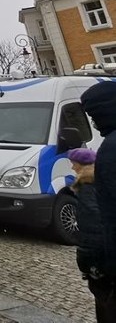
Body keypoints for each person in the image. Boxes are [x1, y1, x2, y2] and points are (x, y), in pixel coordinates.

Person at [82, 80, 116, 318]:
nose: (93, 122)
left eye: (95, 114)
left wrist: (95, 264)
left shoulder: (110, 150)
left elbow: (102, 216)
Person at [67, 147, 112, 321]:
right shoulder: (101, 181)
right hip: (104, 253)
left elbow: (92, 225)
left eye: (74, 164)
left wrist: (86, 260)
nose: (72, 168)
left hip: (98, 257)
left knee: (104, 302)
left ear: (81, 165)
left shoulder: (86, 186)